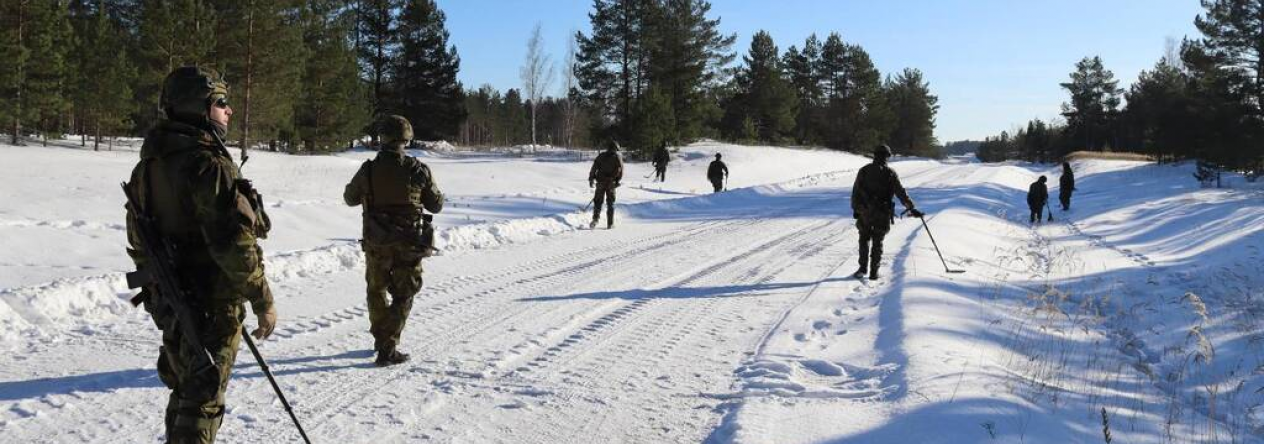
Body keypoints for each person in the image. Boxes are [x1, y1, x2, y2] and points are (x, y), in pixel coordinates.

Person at [124, 66, 277, 443]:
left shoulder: (149, 165)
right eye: (221, 103)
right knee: (204, 397)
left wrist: (163, 295)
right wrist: (263, 299)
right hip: (210, 302)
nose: (229, 111)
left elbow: (138, 242)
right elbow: (235, 246)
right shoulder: (209, 165)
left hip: (174, 299)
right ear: (198, 107)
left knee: (187, 390)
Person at [344, 115, 445, 366]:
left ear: (382, 138)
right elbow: (436, 205)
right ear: (406, 139)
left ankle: (382, 340)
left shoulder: (368, 170)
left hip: (377, 242)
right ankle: (387, 346)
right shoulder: (418, 170)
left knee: (375, 290)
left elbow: (349, 198)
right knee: (404, 293)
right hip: (408, 243)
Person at [851, 145, 922, 280]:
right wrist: (910, 206)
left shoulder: (864, 170)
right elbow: (900, 192)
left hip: (865, 211)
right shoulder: (890, 173)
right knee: (878, 241)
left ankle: (862, 269)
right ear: (887, 156)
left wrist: (856, 208)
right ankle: (874, 271)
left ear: (875, 155)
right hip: (882, 212)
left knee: (864, 239)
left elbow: (856, 192)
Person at [588, 140, 624, 229]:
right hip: (610, 184)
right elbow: (621, 171)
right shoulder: (617, 157)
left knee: (598, 202)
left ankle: (595, 220)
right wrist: (617, 181)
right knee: (610, 203)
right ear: (615, 148)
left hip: (600, 182)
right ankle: (610, 223)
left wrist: (591, 179)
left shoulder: (601, 156)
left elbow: (594, 168)